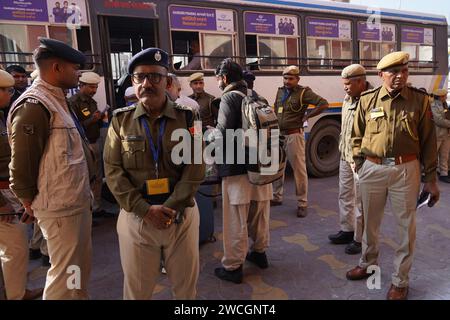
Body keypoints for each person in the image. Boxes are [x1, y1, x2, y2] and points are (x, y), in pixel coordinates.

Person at [104, 48, 205, 299]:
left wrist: (171, 206)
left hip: (180, 216)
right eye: (140, 77)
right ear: (133, 82)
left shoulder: (189, 117)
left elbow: (196, 166)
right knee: (137, 292)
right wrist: (144, 210)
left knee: (185, 290)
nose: (147, 83)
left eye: (155, 77)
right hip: (137, 219)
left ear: (167, 81)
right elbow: (113, 170)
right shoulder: (120, 121)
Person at [346, 51, 440, 300]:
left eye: (405, 71)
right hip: (372, 169)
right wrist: (359, 164)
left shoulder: (419, 101)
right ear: (381, 75)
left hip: (405, 170)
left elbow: (429, 142)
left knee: (405, 227)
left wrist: (430, 180)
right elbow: (356, 135)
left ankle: (400, 281)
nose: (400, 76)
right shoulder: (367, 99)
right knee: (369, 224)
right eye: (394, 72)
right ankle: (367, 264)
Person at [7, 37, 95, 300]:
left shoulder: (56, 99)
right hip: (59, 208)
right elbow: (22, 162)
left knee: (76, 269)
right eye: (74, 68)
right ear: (56, 68)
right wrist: (27, 200)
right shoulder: (35, 105)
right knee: (64, 275)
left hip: (74, 202)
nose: (77, 74)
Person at [213, 58, 272, 284]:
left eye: (218, 78)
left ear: (225, 78)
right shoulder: (256, 96)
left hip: (238, 168)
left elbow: (224, 132)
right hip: (262, 167)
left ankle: (233, 266)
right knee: (259, 212)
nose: (218, 82)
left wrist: (209, 136)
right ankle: (259, 253)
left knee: (236, 217)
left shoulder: (229, 97)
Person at [0, 69, 44, 300]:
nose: (10, 94)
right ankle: (16, 295)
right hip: (2, 199)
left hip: (8, 192)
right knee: (15, 248)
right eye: (7, 90)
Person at [272, 66, 329, 217]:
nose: (287, 81)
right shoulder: (280, 91)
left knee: (299, 170)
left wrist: (307, 116)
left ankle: (302, 203)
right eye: (285, 78)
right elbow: (277, 109)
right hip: (279, 135)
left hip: (294, 135)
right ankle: (277, 196)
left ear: (298, 79)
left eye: (291, 79)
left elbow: (323, 103)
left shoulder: (304, 92)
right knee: (277, 167)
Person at [328, 64, 371, 255]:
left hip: (361, 160)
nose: (345, 88)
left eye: (348, 84)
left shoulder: (371, 100)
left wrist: (361, 156)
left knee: (362, 201)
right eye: (343, 84)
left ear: (360, 82)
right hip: (345, 156)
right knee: (345, 194)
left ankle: (360, 239)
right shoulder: (347, 98)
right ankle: (347, 229)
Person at [69, 71, 110, 217]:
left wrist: (100, 119)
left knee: (97, 177)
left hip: (95, 141)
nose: (94, 90)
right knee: (87, 177)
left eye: (96, 87)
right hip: (83, 145)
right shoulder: (73, 102)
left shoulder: (92, 102)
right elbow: (75, 127)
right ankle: (88, 211)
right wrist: (93, 119)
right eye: (91, 87)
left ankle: (97, 207)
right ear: (81, 85)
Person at [430, 88, 450, 183]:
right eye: (445, 95)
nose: (446, 97)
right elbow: (439, 120)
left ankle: (444, 173)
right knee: (432, 156)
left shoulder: (445, 104)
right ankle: (427, 174)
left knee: (444, 155)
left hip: (446, 135)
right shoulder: (433, 106)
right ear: (441, 97)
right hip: (437, 134)